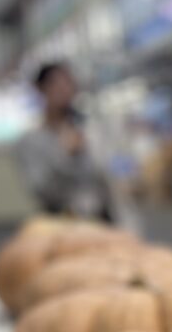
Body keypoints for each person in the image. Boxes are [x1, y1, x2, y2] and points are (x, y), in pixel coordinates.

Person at [17, 63, 114, 221]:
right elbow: (41, 189)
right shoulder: (31, 141)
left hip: (101, 219)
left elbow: (105, 178)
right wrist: (64, 155)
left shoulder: (89, 131)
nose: (65, 90)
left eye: (69, 83)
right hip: (61, 221)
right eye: (57, 84)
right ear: (41, 89)